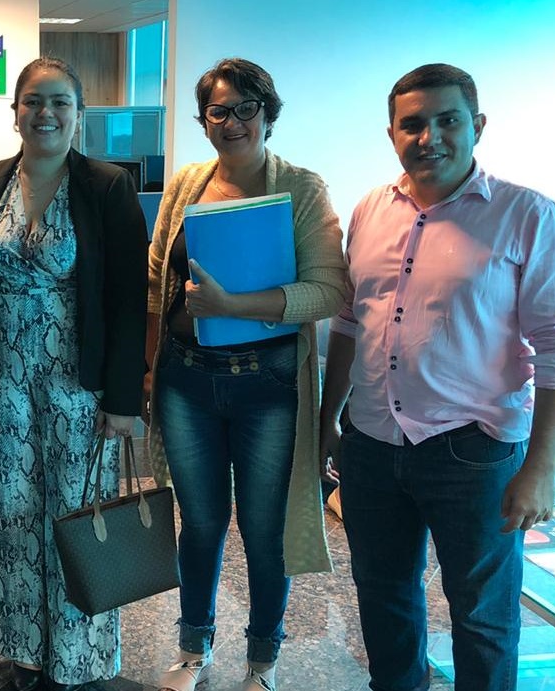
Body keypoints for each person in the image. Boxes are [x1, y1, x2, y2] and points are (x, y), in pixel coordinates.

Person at [319, 63, 555, 691]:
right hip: (371, 443)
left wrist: (541, 468)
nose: (430, 137)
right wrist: (327, 421)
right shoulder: (370, 210)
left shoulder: (529, 216)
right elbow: (348, 321)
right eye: (412, 124)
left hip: (472, 452)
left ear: (478, 125)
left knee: (482, 615)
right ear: (392, 133)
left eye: (447, 120)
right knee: (383, 599)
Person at [145, 58, 348, 691]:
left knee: (264, 531)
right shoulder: (186, 184)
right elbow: (154, 281)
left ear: (268, 113)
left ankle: (263, 660)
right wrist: (148, 370)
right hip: (186, 383)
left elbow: (328, 291)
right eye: (218, 110)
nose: (232, 122)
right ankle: (193, 647)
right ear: (204, 119)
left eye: (245, 108)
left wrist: (233, 306)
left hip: (270, 387)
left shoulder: (302, 189)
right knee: (200, 522)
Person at [0, 57, 147, 691]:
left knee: (76, 511)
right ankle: (24, 647)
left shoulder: (107, 186)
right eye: (33, 101)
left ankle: (78, 654)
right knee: (9, 510)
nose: (46, 113)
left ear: (78, 114)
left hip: (78, 382)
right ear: (15, 112)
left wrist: (124, 398)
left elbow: (127, 296)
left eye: (60, 102)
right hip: (3, 378)